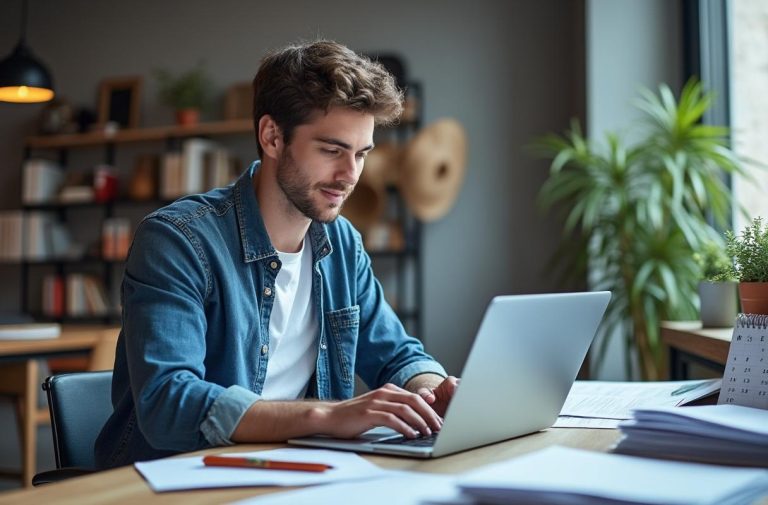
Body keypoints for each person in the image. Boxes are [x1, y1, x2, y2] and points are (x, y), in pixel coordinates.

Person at [94, 40, 458, 468]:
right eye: (332, 150)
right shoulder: (177, 241)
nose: (350, 175)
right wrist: (326, 416)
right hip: (173, 476)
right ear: (272, 136)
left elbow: (397, 355)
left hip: (292, 472)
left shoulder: (342, 243)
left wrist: (432, 390)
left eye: (361, 154)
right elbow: (168, 401)